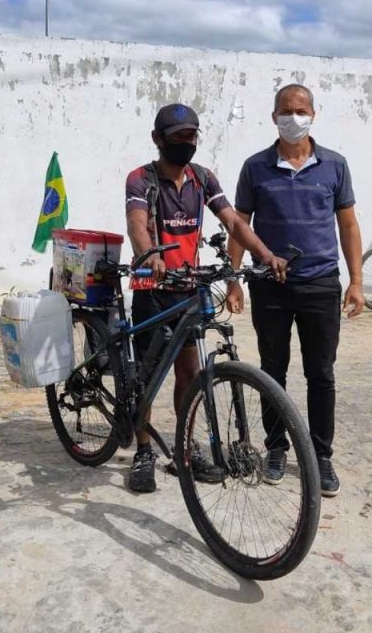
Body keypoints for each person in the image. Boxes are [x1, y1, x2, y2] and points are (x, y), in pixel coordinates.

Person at [124, 103, 287, 493]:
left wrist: (265, 254)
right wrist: (150, 255)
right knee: (146, 378)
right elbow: (136, 225)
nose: (186, 143)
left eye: (191, 136)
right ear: (157, 139)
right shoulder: (140, 180)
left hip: (189, 287)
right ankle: (144, 450)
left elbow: (232, 221)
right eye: (177, 137)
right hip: (153, 289)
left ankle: (184, 446)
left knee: (190, 374)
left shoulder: (202, 178)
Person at [225, 84, 364, 497]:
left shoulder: (334, 166)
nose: (293, 117)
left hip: (320, 284)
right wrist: (234, 279)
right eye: (286, 111)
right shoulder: (255, 168)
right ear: (274, 117)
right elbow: (240, 224)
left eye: (300, 110)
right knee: (273, 371)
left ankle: (320, 456)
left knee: (321, 373)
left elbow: (348, 225)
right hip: (270, 285)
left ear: (313, 115)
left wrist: (356, 281)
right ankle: (275, 447)